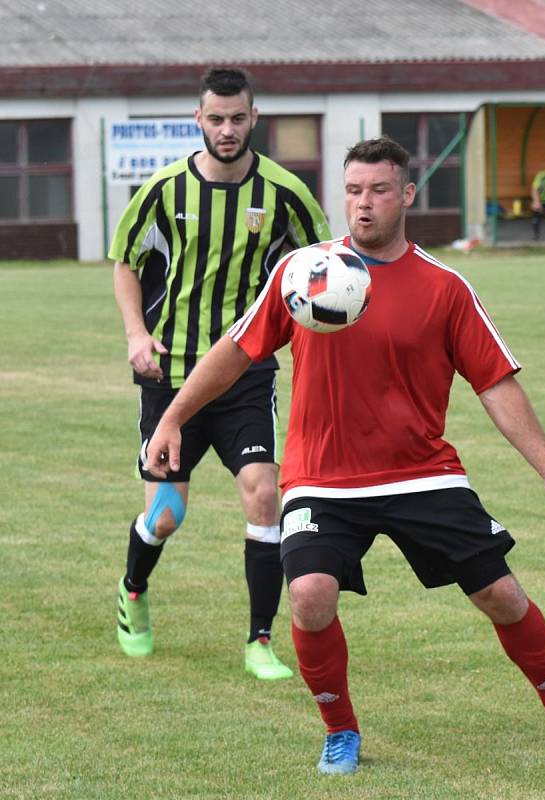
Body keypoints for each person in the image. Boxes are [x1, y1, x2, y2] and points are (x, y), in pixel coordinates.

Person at [143, 136, 545, 773]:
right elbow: (235, 350)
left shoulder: (444, 288)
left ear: (407, 195)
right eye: (354, 191)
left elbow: (496, 383)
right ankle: (340, 731)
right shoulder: (304, 273)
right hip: (322, 477)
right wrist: (172, 417)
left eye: (380, 190)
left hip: (422, 472)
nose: (364, 205)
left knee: (502, 594)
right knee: (308, 594)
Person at [110, 67, 331, 679]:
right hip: (169, 374)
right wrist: (135, 334)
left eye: (238, 118)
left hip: (246, 370)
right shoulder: (163, 189)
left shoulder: (286, 193)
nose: (227, 129)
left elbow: (325, 266)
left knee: (265, 492)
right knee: (165, 518)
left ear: (254, 119)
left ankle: (260, 640)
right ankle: (132, 592)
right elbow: (126, 262)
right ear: (198, 120)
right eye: (216, 119)